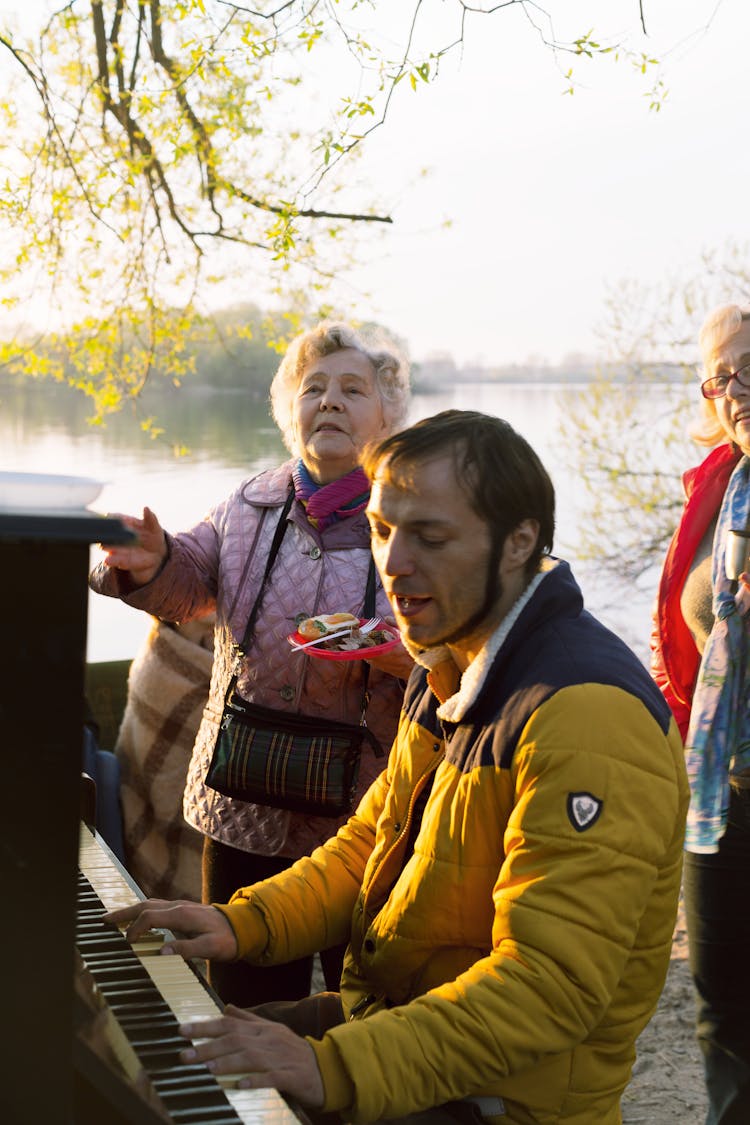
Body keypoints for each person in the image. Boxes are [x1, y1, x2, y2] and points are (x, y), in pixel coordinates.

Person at [105, 409, 689, 1125]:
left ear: (519, 542)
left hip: (501, 1097)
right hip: (399, 1021)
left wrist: (332, 1065)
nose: (394, 561)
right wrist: (239, 923)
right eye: (382, 529)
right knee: (162, 1057)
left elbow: (548, 988)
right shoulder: (448, 658)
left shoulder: (587, 717)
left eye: (430, 537)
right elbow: (369, 843)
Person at [89, 320, 413, 1006]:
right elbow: (191, 580)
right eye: (313, 387)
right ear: (288, 410)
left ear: (389, 413)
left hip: (364, 820)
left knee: (366, 1005)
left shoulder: (411, 517)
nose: (329, 400)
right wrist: (150, 564)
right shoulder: (249, 504)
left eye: (352, 389)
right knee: (246, 1005)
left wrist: (393, 652)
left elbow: (450, 644)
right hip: (244, 806)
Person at [651, 303, 750, 1125]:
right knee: (723, 1011)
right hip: (719, 787)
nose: (736, 389)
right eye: (721, 377)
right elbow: (683, 633)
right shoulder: (718, 485)